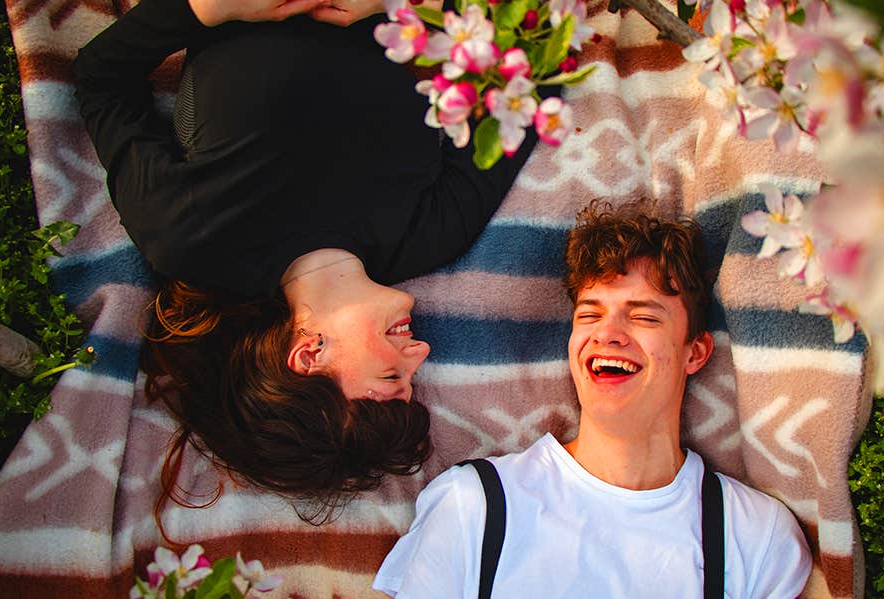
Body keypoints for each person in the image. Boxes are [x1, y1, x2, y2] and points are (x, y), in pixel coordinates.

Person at [71, 0, 543, 520]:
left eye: (391, 380)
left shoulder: (193, 238)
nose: (420, 352)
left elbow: (101, 80)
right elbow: (527, 77)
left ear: (307, 358)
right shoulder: (430, 235)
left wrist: (207, 8)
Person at [373, 201, 812, 598]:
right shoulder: (473, 506)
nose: (606, 333)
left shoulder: (757, 540)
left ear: (693, 352)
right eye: (589, 314)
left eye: (642, 316)